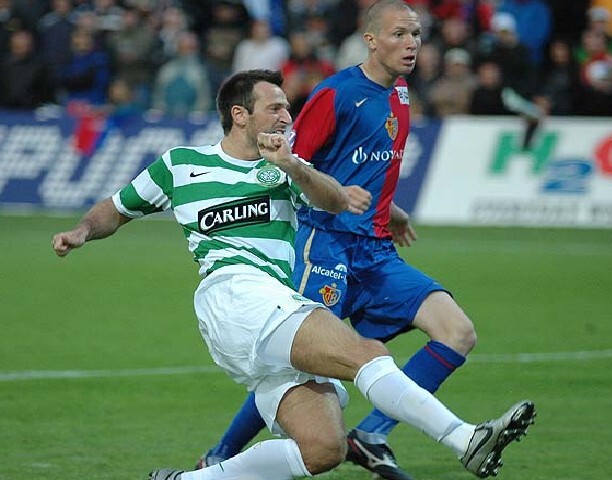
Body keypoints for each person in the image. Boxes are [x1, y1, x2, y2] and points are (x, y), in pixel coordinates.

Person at [51, 67, 535, 480]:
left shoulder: (286, 166)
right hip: (235, 293)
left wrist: (293, 167)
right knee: (367, 353)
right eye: (275, 108)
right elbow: (117, 208)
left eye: (287, 107)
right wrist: (81, 231)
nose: (287, 116)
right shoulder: (182, 165)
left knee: (323, 448)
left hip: (262, 309)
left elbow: (335, 201)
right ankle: (465, 439)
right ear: (240, 114)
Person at [195, 2, 535, 480]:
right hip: (325, 244)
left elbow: (369, 161)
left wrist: (388, 209)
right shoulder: (336, 94)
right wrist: (331, 198)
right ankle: (221, 453)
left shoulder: (401, 92)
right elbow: (289, 164)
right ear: (370, 40)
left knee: (457, 331)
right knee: (300, 363)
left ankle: (370, 435)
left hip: (374, 251)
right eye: (399, 34)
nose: (411, 44)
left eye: (416, 34)